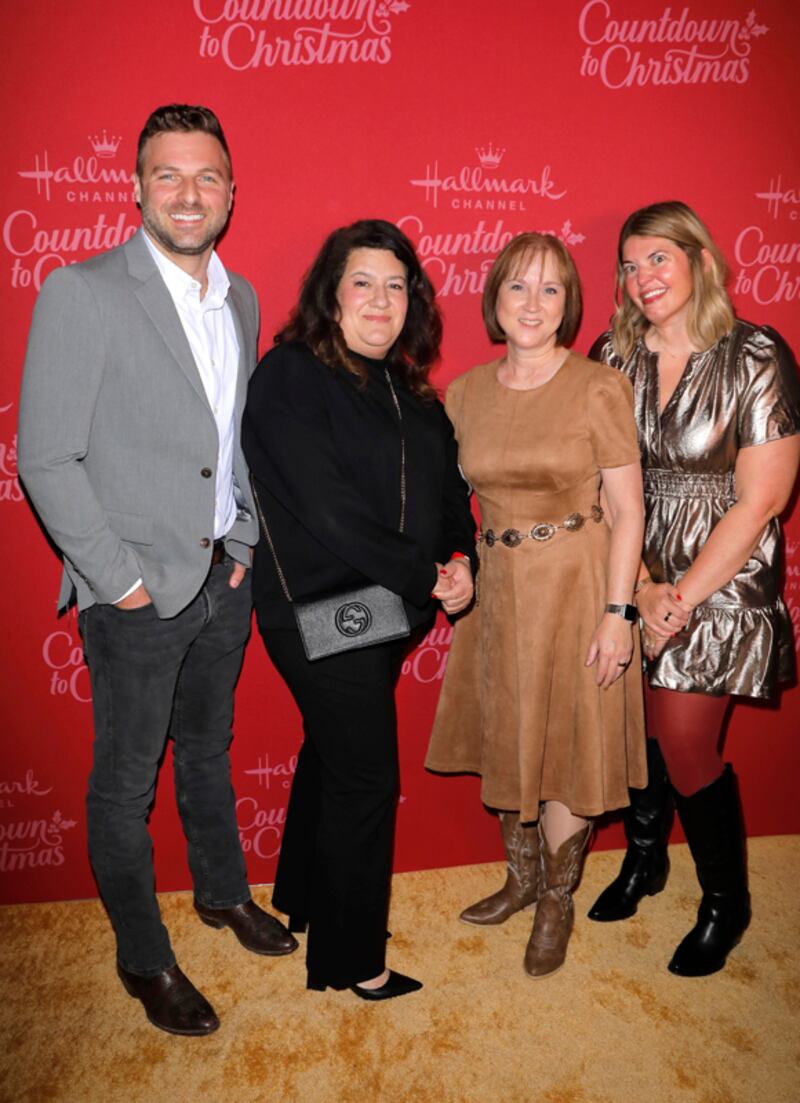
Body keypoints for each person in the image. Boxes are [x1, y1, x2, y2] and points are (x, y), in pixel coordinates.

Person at [18, 104, 297, 1037]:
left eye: (206, 176)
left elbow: (234, 439)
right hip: (134, 594)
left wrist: (243, 544)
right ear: (136, 187)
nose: (188, 193)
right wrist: (121, 582)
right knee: (124, 786)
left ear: (231, 192)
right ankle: (144, 957)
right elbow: (45, 456)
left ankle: (221, 891)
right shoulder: (83, 291)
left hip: (222, 581)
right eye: (168, 174)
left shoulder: (241, 297)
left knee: (209, 752)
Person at [242, 219, 475, 1000]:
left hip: (387, 609)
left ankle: (307, 897)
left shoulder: (412, 392)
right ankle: (353, 963)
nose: (381, 300)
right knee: (367, 778)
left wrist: (461, 560)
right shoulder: (292, 375)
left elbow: (450, 498)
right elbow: (326, 509)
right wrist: (424, 574)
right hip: (319, 609)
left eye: (396, 285)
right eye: (363, 283)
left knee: (335, 755)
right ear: (331, 295)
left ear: (414, 302)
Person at [587, 200, 800, 976]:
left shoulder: (755, 354)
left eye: (658, 258)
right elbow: (596, 477)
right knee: (636, 730)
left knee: (682, 740)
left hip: (723, 571)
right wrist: (641, 587)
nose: (642, 277)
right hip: (628, 560)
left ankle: (725, 901)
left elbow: (762, 499)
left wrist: (676, 597)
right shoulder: (612, 354)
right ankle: (647, 859)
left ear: (701, 260)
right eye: (630, 264)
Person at [426, 233, 646, 978]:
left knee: (569, 739)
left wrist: (618, 613)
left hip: (578, 584)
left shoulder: (597, 387)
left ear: (569, 304)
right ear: (495, 298)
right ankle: (520, 880)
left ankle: (556, 897)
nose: (532, 303)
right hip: (497, 589)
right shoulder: (464, 393)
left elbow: (628, 508)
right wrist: (455, 564)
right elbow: (448, 504)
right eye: (518, 286)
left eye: (550, 289)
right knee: (508, 731)